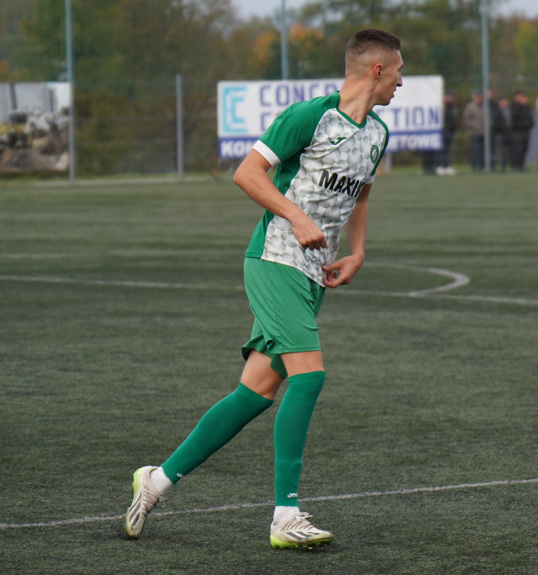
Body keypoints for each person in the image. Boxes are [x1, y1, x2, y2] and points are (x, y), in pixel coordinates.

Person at [121, 28, 403, 550]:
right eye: (399, 71)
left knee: (254, 395)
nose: (402, 82)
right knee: (310, 377)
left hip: (314, 272)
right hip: (274, 260)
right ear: (376, 70)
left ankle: (155, 482)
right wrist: (295, 217)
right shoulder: (309, 116)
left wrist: (358, 250)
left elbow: (360, 195)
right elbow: (247, 174)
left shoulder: (378, 134)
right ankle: (285, 514)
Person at [509, 90, 534, 171]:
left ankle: (521, 165)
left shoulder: (526, 107)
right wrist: (521, 106)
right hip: (517, 132)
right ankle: (515, 166)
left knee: (524, 149)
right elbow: (514, 116)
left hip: (525, 131)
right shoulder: (514, 106)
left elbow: (530, 118)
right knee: (517, 149)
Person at [436, 91, 458, 175]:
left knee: (447, 150)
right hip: (443, 132)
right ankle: (439, 166)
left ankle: (446, 166)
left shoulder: (452, 107)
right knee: (442, 150)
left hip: (450, 131)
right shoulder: (441, 107)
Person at [462, 90, 484, 172]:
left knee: (482, 150)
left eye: (480, 96)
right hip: (474, 133)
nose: (479, 98)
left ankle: (482, 166)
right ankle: (474, 166)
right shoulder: (470, 107)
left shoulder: (484, 106)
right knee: (475, 150)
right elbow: (466, 119)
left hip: (483, 133)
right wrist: (474, 126)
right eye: (477, 97)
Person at [494, 96, 513, 171]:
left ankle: (511, 165)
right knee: (502, 150)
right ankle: (502, 166)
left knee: (510, 150)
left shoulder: (510, 110)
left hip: (509, 133)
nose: (506, 103)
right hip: (501, 133)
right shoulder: (497, 111)